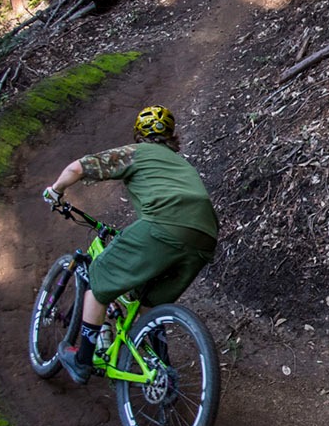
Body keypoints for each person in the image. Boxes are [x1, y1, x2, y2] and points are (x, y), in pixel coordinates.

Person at [41, 105, 218, 385]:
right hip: (204, 237)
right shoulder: (181, 164)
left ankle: (82, 359)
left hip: (162, 225)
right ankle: (161, 372)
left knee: (98, 276)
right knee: (149, 305)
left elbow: (77, 167)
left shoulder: (137, 154)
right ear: (172, 137)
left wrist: (56, 191)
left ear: (138, 134)